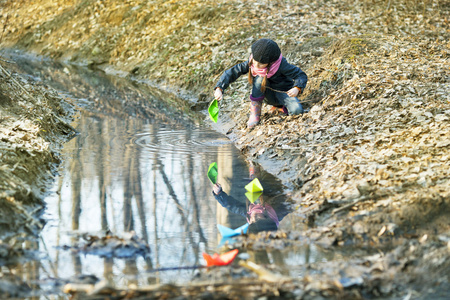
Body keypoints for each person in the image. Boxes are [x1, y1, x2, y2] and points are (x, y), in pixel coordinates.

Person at [214, 38, 308, 128]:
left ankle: (281, 107)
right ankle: (255, 113)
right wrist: (219, 88)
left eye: (261, 64)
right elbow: (232, 72)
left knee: (297, 110)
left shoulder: (281, 65)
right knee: (260, 79)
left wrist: (297, 88)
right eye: (255, 62)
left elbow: (301, 75)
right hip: (265, 95)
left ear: (271, 62)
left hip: (283, 93)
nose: (256, 66)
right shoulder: (252, 62)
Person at [212, 182, 293, 234]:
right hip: (272, 184)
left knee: (253, 184)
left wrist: (219, 193)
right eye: (257, 218)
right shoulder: (278, 211)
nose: (253, 217)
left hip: (256, 185)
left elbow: (231, 205)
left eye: (252, 221)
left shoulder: (249, 213)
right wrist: (291, 196)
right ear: (266, 218)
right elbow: (293, 200)